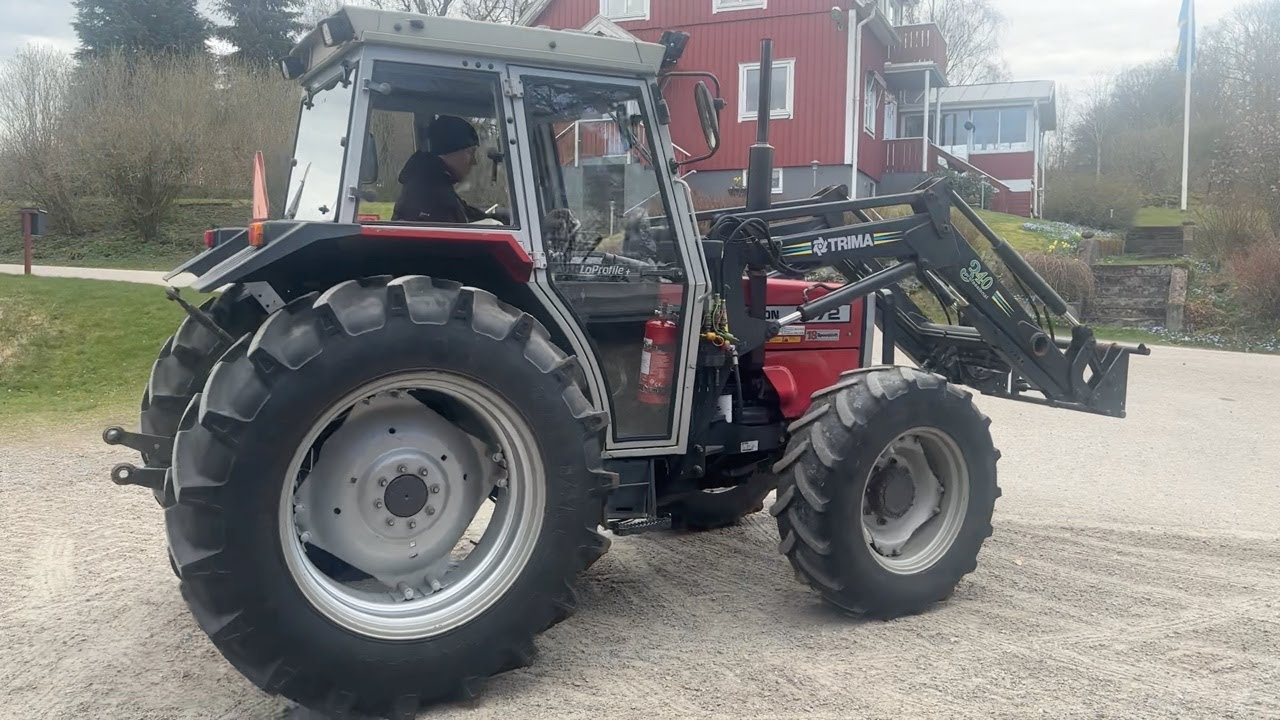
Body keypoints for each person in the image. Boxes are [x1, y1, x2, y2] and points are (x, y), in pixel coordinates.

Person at [392, 115, 498, 224]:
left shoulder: (434, 184)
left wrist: (498, 218)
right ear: (452, 150)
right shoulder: (429, 195)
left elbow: (467, 213)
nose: (474, 162)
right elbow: (452, 229)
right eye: (470, 153)